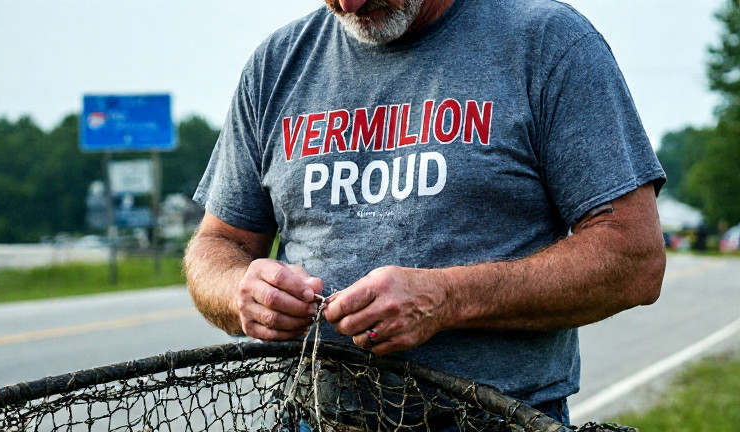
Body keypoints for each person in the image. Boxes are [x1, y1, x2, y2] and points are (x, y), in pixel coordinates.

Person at [184, 0, 667, 426]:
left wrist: (447, 298)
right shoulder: (277, 64)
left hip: (496, 419)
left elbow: (635, 259)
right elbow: (217, 245)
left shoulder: (546, 42)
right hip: (316, 416)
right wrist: (239, 292)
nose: (349, 4)